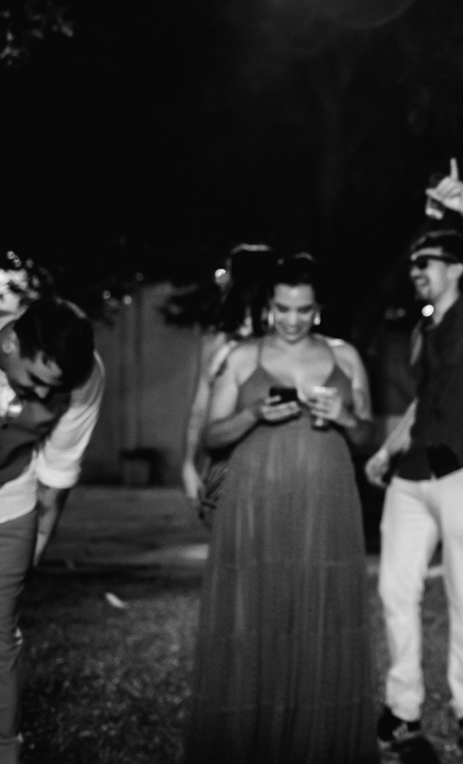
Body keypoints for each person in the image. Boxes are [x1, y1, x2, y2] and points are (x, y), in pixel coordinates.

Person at [182, 253, 378, 763]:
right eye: (283, 308)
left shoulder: (346, 357)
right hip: (255, 505)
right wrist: (251, 414)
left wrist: (344, 416)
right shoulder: (242, 357)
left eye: (304, 310)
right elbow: (211, 434)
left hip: (326, 507)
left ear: (319, 309)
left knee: (321, 619)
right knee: (253, 620)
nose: (293, 320)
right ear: (269, 305)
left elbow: (365, 435)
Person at [364, 159, 463, 752]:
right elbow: (423, 401)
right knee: (394, 593)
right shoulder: (425, 329)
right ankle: (402, 708)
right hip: (411, 477)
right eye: (412, 266)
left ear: (454, 268)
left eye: (424, 264)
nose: (415, 273)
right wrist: (386, 450)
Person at [0, 296, 102, 764]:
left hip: (3, 498)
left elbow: (58, 469)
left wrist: (38, 541)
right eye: (36, 380)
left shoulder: (84, 375)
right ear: (11, 343)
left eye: (57, 388)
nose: (45, 398)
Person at [179, 244, 276, 526]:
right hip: (229, 460)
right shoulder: (219, 339)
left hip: (276, 457)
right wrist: (188, 466)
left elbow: (199, 406)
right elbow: (200, 406)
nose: (222, 280)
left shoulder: (284, 337)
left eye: (228, 274)